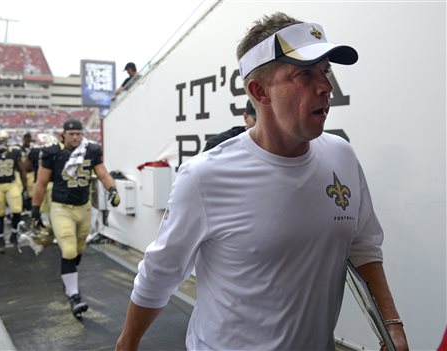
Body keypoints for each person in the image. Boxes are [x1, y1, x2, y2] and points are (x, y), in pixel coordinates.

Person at [115, 12, 409, 351]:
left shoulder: (342, 157)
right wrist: (128, 343)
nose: (326, 86)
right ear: (260, 91)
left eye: (325, 71)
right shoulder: (205, 176)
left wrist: (391, 326)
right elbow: (160, 273)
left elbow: (363, 247)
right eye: (304, 74)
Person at [31, 119, 121, 318]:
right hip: (61, 207)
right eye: (72, 134)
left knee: (78, 250)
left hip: (84, 207)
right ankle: (74, 296)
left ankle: (69, 276)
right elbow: (41, 182)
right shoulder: (52, 152)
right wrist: (35, 210)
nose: (75, 137)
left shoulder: (91, 149)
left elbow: (103, 173)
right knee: (69, 249)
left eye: (78, 134)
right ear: (63, 134)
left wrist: (112, 189)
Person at [0, 130, 27, 253]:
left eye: (1, 140)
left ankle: (13, 234)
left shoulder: (14, 152)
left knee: (17, 209)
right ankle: (0, 239)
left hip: (11, 184)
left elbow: (22, 170)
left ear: (6, 140)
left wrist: (24, 187)